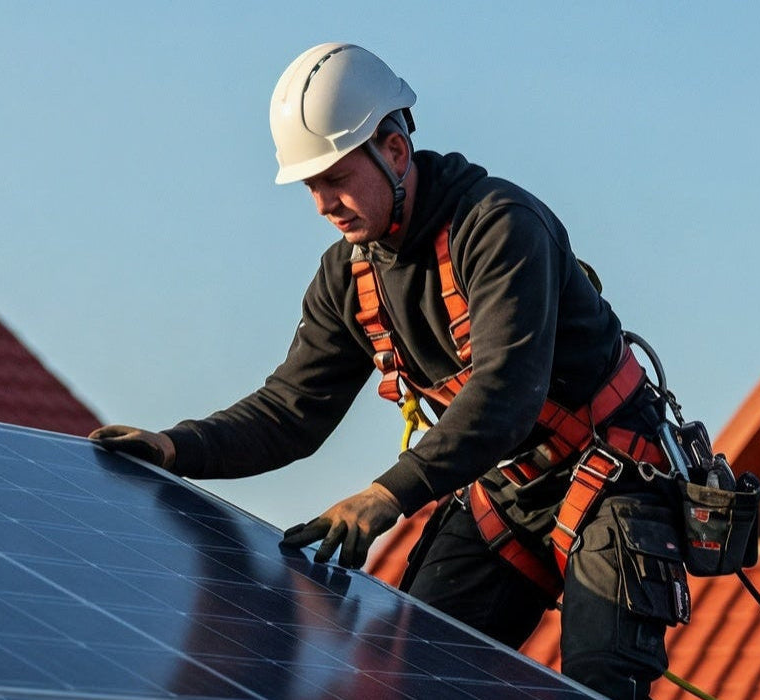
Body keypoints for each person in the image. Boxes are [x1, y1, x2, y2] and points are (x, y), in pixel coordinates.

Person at [90, 43, 688, 699]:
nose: (324, 204)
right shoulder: (348, 277)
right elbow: (291, 411)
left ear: (395, 150)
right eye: (312, 186)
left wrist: (386, 495)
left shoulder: (498, 228)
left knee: (598, 687)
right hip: (507, 493)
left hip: (613, 475)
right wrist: (178, 447)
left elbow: (505, 394)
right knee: (407, 676)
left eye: (337, 178)